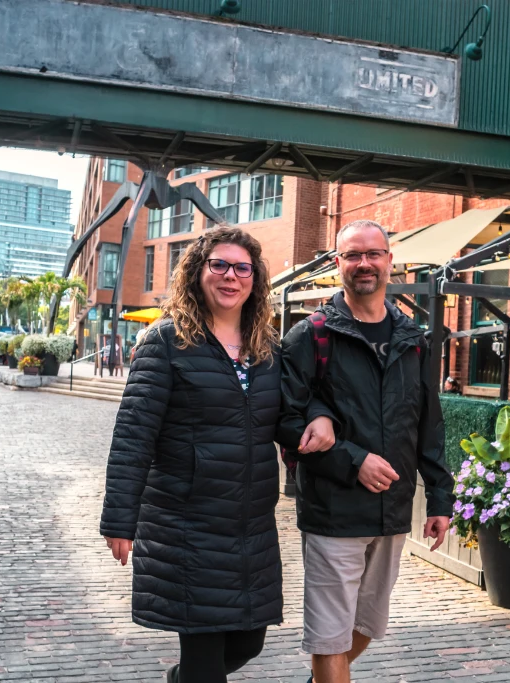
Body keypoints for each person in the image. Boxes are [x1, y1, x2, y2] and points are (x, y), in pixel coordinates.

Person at [99, 227, 335, 683]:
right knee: (206, 657)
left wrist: (321, 416)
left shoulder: (266, 345)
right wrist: (118, 521)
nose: (231, 276)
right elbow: (133, 437)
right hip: (188, 523)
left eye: (242, 267)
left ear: (255, 278)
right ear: (198, 272)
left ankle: (182, 679)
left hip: (251, 526)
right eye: (219, 265)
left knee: (249, 642)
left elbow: (296, 405)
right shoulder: (166, 342)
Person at [279, 219, 455, 683]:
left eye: (373, 254)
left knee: (367, 626)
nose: (364, 264)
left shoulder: (413, 339)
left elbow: (428, 423)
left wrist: (440, 498)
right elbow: (284, 419)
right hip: (333, 511)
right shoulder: (310, 335)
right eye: (353, 255)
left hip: (392, 510)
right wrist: (352, 461)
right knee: (330, 637)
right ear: (337, 264)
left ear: (389, 262)